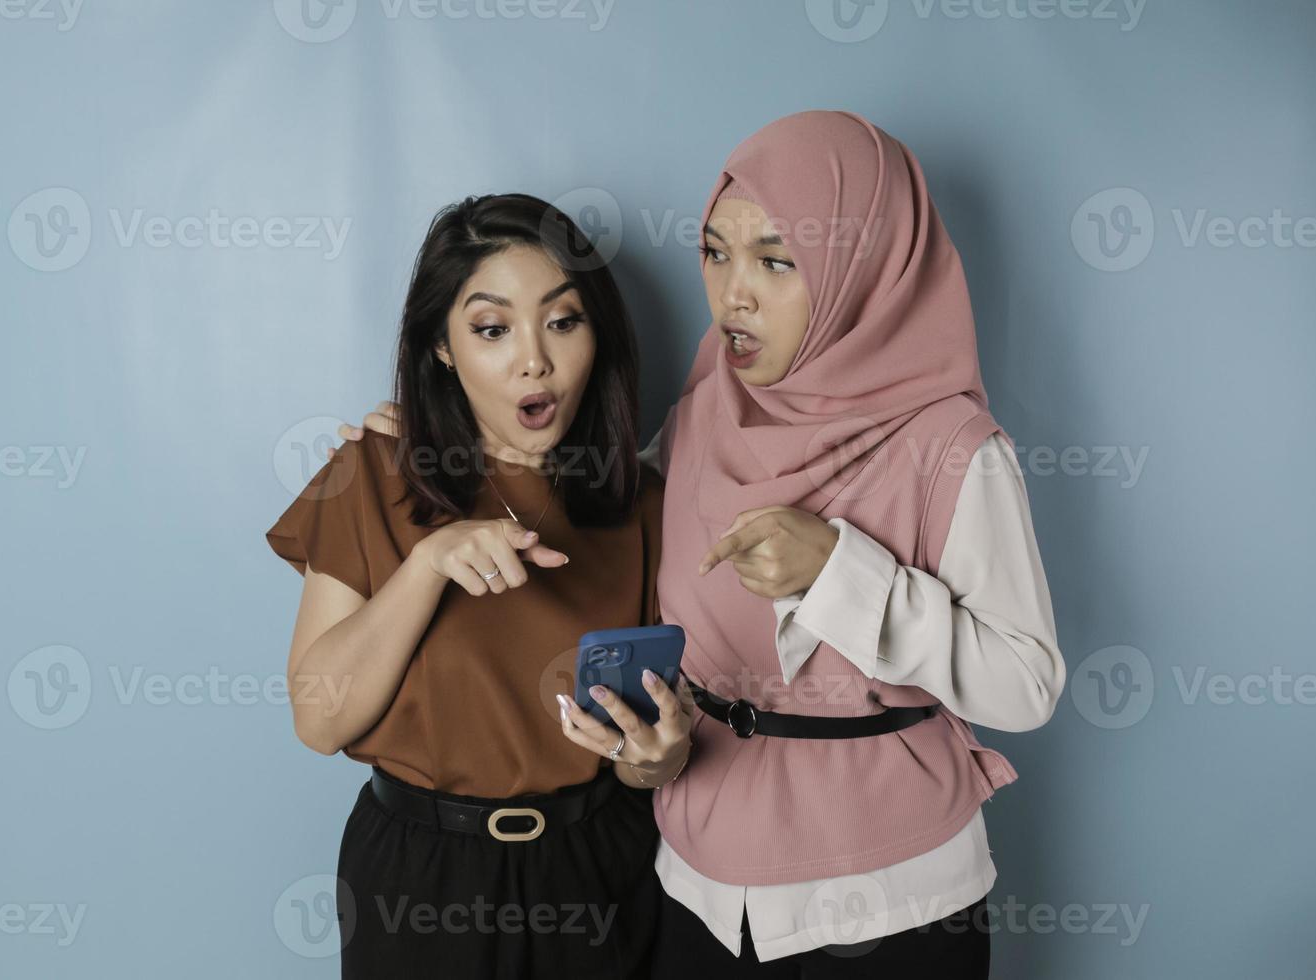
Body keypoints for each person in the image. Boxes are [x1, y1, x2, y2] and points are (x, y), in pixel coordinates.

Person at [335, 110, 1066, 977]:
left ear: (862, 265)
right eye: (716, 253)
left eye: (776, 261)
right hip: (698, 888)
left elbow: (1026, 686)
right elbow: (582, 504)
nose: (733, 295)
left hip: (889, 893)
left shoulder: (952, 448)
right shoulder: (701, 414)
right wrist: (434, 441)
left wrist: (839, 568)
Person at [265, 192, 694, 980]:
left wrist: (658, 759)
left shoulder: (644, 504)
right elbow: (319, 722)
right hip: (420, 877)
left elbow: (638, 756)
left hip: (600, 867)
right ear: (441, 347)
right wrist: (427, 566)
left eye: (563, 321)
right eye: (492, 328)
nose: (534, 359)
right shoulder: (369, 474)